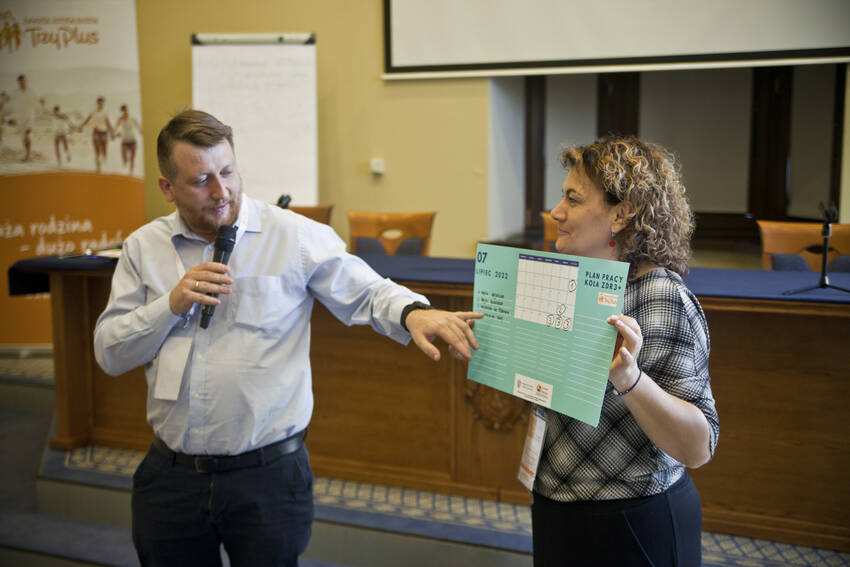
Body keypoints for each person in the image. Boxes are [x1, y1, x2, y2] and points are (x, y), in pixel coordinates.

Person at [93, 109, 482, 567]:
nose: (221, 191)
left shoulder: (292, 236)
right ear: (167, 188)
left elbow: (367, 290)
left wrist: (413, 313)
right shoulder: (143, 247)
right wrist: (170, 305)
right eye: (200, 181)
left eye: (227, 172)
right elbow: (110, 352)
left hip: (267, 479)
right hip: (170, 478)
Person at [530, 136, 719, 566]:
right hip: (557, 503)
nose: (556, 212)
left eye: (573, 199)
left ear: (621, 215)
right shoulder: (568, 283)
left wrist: (629, 379)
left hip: (633, 519)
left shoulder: (662, 298)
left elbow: (698, 446)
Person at [79, 96, 112, 172]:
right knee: (97, 150)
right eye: (100, 103)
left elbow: (108, 124)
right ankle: (98, 167)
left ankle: (105, 165)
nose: (101, 105)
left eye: (102, 104)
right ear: (97, 103)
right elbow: (86, 120)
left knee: (104, 150)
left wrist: (112, 133)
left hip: (104, 132)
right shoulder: (93, 112)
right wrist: (81, 126)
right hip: (96, 132)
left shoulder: (105, 113)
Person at [114, 104, 142, 174]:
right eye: (123, 111)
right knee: (125, 158)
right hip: (124, 141)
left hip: (133, 140)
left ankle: (131, 173)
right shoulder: (120, 120)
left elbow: (140, 129)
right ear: (121, 112)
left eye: (126, 110)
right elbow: (114, 129)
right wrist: (116, 134)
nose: (125, 112)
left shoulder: (133, 119)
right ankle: (124, 170)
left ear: (128, 110)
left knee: (132, 158)